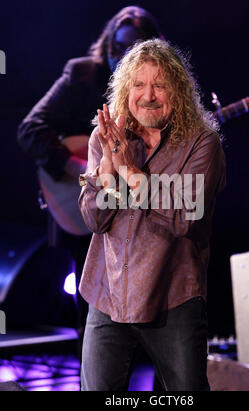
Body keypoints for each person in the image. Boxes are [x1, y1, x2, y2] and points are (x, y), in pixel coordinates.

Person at [78, 39, 226, 391]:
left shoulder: (202, 143)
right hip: (108, 293)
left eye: (159, 85)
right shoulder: (105, 137)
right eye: (139, 85)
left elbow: (184, 217)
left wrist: (128, 171)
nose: (149, 95)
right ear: (126, 90)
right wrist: (110, 178)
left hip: (172, 296)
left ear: (177, 91)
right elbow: (94, 220)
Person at [17, 7, 163, 346]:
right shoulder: (82, 74)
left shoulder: (159, 89)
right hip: (87, 207)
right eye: (118, 46)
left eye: (134, 48)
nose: (123, 56)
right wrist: (77, 167)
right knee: (96, 310)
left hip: (140, 212)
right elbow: (30, 129)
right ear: (108, 45)